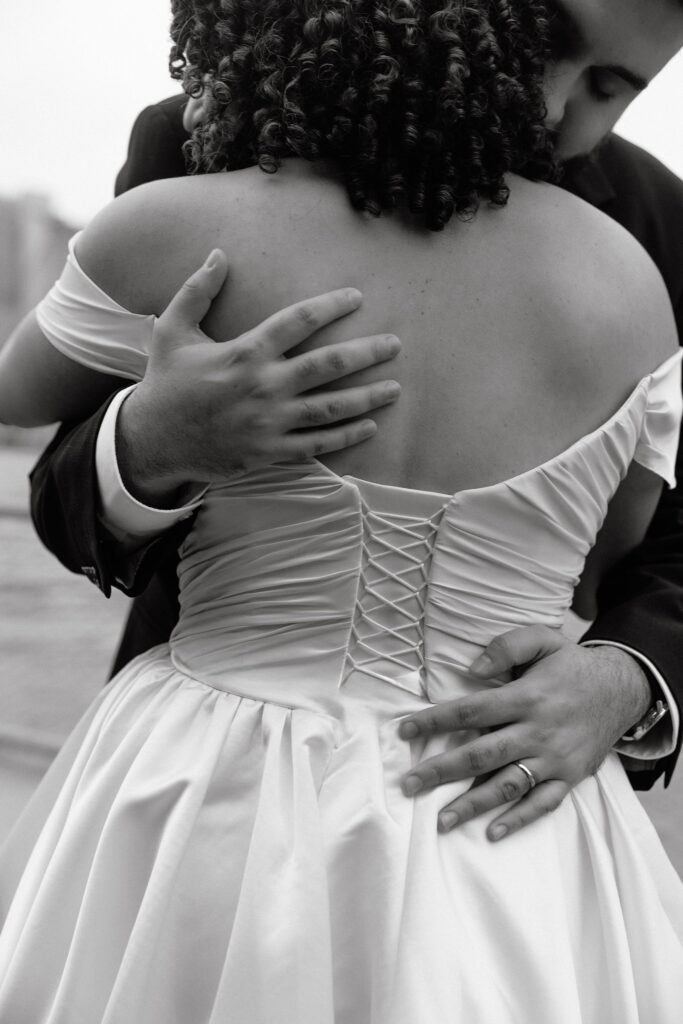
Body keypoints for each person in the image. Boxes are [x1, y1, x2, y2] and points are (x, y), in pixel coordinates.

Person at [2, 1, 683, 1018]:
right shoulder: (182, 143)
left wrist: (626, 680)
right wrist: (147, 440)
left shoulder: (660, 222)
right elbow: (623, 518)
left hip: (422, 764)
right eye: (546, 51)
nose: (548, 105)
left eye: (607, 88)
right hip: (362, 813)